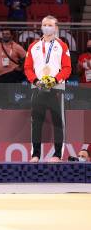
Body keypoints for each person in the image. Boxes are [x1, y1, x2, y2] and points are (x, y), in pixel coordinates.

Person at [24, 15, 71, 162]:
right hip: (38, 88)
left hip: (56, 88)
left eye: (50, 25)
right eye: (44, 24)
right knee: (36, 122)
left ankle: (57, 154)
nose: (47, 27)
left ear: (56, 27)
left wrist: (55, 79)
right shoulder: (33, 46)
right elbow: (27, 68)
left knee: (58, 122)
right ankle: (35, 154)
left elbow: (67, 68)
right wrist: (36, 81)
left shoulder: (62, 46)